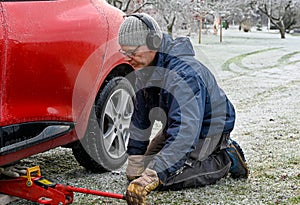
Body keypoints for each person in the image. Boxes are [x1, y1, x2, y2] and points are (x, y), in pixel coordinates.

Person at [118, 13, 249, 205]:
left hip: (209, 128)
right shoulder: (142, 69)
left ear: (154, 43)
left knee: (165, 178)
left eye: (133, 52)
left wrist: (154, 174)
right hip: (180, 123)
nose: (128, 58)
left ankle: (225, 158)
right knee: (144, 170)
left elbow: (185, 132)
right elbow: (140, 118)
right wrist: (136, 159)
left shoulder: (184, 74)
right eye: (124, 53)